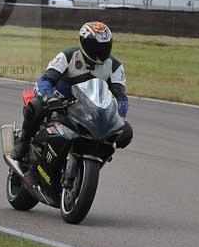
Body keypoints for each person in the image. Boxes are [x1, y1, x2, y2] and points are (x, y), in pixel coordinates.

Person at [11, 21, 133, 161]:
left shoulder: (115, 66)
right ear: (85, 44)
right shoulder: (68, 56)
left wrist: (119, 116)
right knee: (36, 105)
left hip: (91, 110)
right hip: (61, 103)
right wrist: (49, 97)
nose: (102, 51)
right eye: (96, 47)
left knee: (126, 132)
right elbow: (46, 80)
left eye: (105, 46)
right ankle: (24, 142)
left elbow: (121, 97)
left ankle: (97, 157)